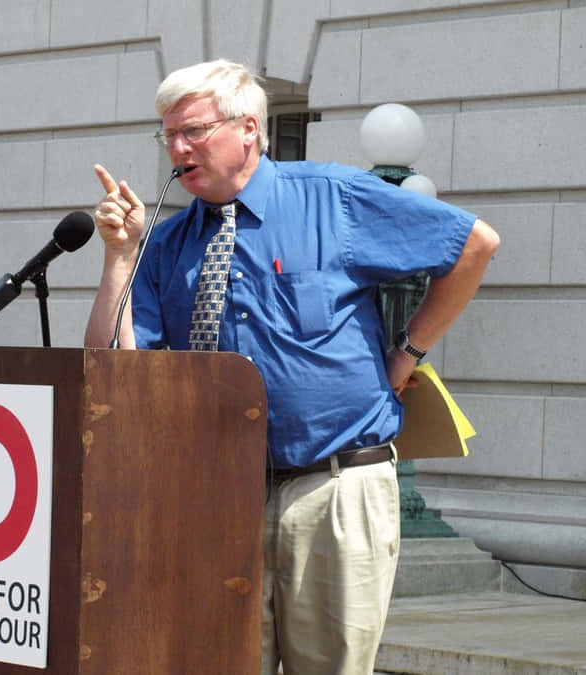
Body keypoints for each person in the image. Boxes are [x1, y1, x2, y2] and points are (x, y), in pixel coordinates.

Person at [84, 59, 500, 675]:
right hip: (217, 495)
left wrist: (407, 353)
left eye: (193, 130)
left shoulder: (332, 198)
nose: (178, 148)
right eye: (168, 134)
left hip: (334, 487)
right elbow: (113, 374)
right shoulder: (169, 244)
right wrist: (120, 257)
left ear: (248, 129)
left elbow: (474, 244)